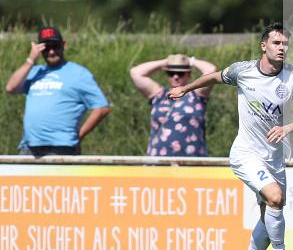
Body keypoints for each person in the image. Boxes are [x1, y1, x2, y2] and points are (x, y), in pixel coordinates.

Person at [168, 23, 293, 250]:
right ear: (263, 45)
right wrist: (186, 88)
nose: (282, 48)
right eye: (277, 43)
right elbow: (214, 77)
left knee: (270, 213)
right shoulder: (243, 71)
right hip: (245, 153)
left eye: (285, 44)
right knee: (275, 197)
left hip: (275, 158)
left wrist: (288, 128)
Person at [5, 26, 111, 156]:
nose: (51, 52)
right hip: (29, 147)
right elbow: (10, 88)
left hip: (62, 147)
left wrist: (80, 135)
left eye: (55, 46)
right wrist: (30, 60)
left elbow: (102, 108)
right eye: (46, 48)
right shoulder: (35, 71)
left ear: (63, 45)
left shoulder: (79, 74)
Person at [130, 54, 218, 156]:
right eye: (171, 73)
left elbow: (211, 70)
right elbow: (136, 72)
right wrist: (166, 62)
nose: (175, 77)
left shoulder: (196, 96)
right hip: (159, 160)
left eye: (180, 73)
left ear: (188, 75)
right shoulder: (159, 95)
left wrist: (190, 61)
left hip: (193, 160)